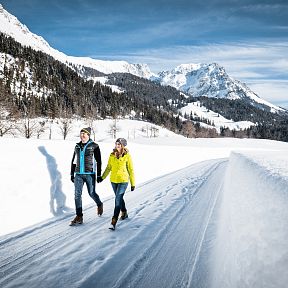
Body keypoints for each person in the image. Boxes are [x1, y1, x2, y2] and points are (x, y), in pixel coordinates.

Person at [99, 138, 135, 230]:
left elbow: (130, 170)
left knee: (117, 199)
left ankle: (114, 221)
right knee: (119, 198)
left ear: (123, 145)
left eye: (119, 144)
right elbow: (108, 167)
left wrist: (132, 183)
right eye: (116, 143)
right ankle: (124, 212)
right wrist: (102, 177)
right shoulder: (112, 155)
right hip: (113, 180)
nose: (117, 145)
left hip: (123, 181)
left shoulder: (127, 156)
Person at [70, 127, 103, 226]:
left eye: (84, 134)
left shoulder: (95, 146)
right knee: (77, 194)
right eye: (81, 134)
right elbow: (74, 161)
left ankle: (99, 204)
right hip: (78, 174)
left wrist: (99, 175)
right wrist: (72, 173)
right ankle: (79, 216)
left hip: (90, 174)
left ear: (88, 135)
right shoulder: (77, 146)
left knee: (91, 193)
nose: (82, 136)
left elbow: (99, 161)